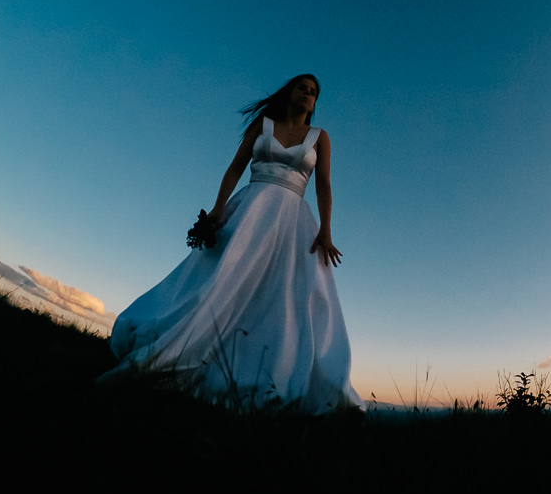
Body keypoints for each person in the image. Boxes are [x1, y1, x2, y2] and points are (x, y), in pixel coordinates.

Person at [103, 74, 361, 414]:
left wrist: (326, 229)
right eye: (303, 87)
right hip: (250, 210)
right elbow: (236, 166)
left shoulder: (320, 137)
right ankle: (178, 348)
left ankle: (264, 369)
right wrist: (218, 207)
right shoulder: (263, 125)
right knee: (221, 280)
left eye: (314, 92)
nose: (308, 94)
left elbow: (323, 183)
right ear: (290, 92)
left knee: (281, 294)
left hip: (292, 220)